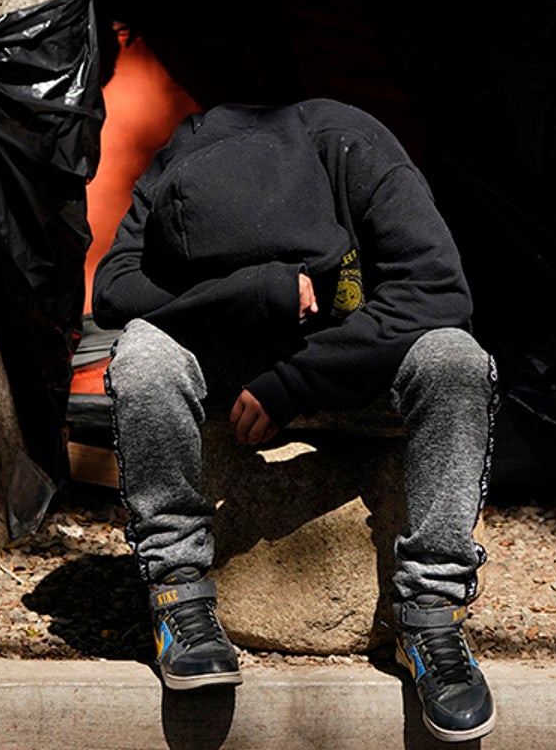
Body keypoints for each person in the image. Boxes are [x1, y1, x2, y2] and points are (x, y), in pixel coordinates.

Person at [91, 98, 497, 743]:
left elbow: (438, 290)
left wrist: (297, 381)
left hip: (360, 367)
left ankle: (430, 611)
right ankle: (177, 591)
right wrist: (256, 291)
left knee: (455, 358)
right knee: (142, 354)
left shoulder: (356, 154)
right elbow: (113, 288)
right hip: (235, 371)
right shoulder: (178, 165)